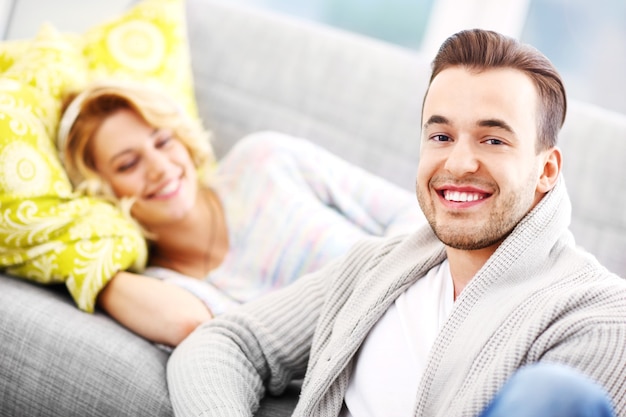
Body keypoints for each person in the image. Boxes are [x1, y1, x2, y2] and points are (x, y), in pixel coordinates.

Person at [166, 28, 626, 416]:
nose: (460, 162)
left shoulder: (601, 315)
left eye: (493, 139)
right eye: (441, 135)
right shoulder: (374, 268)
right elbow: (228, 341)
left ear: (546, 170)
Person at [57, 83, 423, 347]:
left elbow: (415, 212)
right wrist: (91, 272)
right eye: (128, 164)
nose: (159, 167)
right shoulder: (165, 282)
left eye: (163, 141)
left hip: (427, 298)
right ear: (100, 192)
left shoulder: (263, 160)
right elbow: (192, 327)